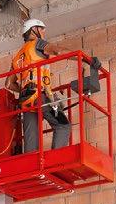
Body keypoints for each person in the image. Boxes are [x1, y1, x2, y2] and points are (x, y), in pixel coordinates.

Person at [9, 19, 71, 153]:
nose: (44, 31)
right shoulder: (38, 44)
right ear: (33, 30)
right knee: (62, 126)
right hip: (40, 96)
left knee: (31, 144)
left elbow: (9, 84)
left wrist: (25, 89)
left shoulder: (17, 56)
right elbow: (59, 51)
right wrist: (84, 58)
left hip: (26, 100)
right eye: (41, 28)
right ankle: (56, 160)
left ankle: (31, 164)